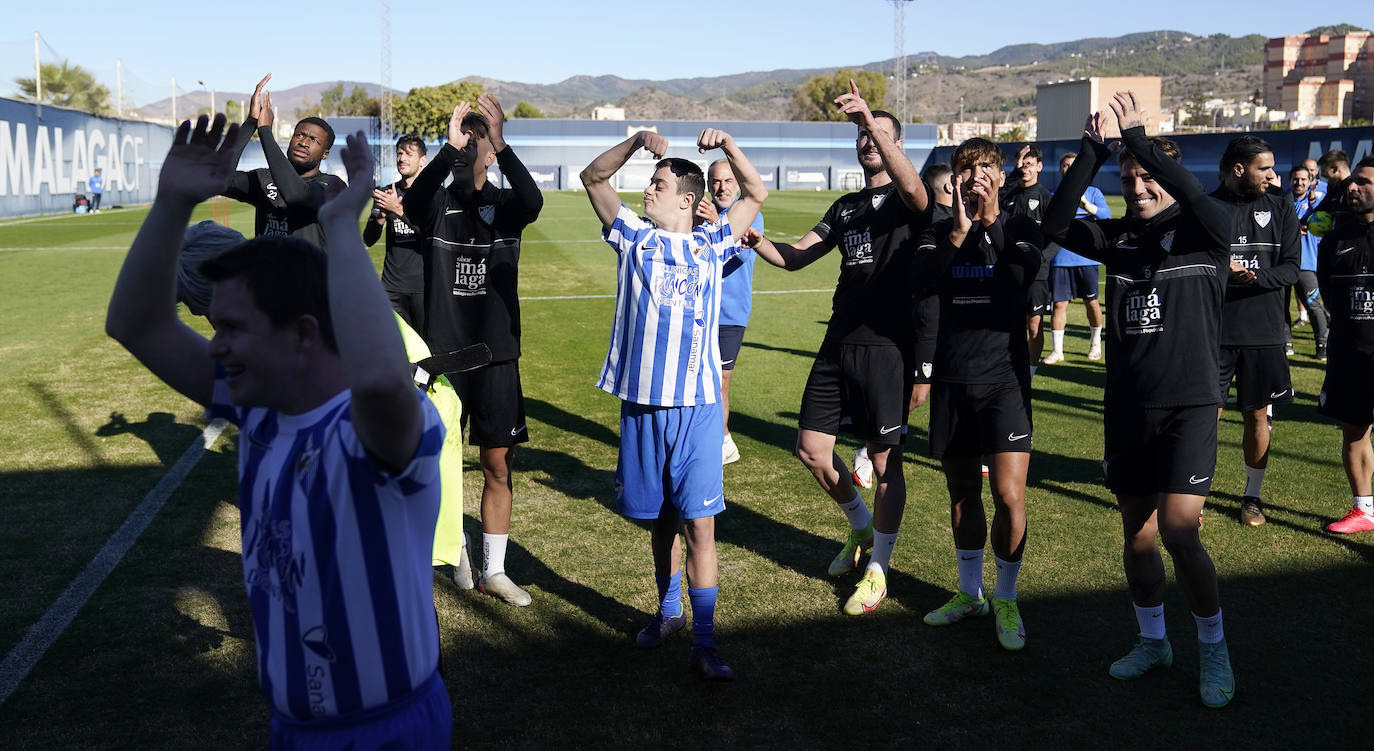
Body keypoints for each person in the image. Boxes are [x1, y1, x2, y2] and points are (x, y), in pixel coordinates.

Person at [106, 115, 451, 746]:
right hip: (290, 727)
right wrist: (172, 202)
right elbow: (137, 324)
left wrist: (343, 231)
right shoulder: (258, 407)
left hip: (387, 731)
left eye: (233, 329)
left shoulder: (374, 430)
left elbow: (380, 379)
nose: (215, 347)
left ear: (302, 335)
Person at [1041, 92, 1236, 708]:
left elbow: (1209, 206)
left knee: (1180, 532)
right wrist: (1093, 155)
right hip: (1128, 405)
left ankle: (1213, 648)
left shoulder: (1205, 231)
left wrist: (1141, 140)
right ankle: (1154, 641)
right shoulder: (1119, 234)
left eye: (1147, 177)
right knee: (1138, 534)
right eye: (1130, 179)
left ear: (1168, 178)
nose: (1139, 187)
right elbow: (1053, 225)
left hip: (1191, 402)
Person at [578, 125, 766, 681]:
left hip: (699, 410)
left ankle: (705, 642)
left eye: (658, 185)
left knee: (700, 525)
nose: (647, 191)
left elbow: (755, 194)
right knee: (660, 522)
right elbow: (594, 178)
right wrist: (637, 142)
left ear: (686, 198)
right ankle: (667, 610)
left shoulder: (713, 243)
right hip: (642, 406)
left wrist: (729, 145)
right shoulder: (632, 236)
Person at [748, 80, 930, 616]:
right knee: (811, 450)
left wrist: (868, 120)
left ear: (894, 144)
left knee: (884, 461)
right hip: (837, 343)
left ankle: (879, 570)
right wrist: (758, 242)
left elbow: (915, 187)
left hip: (886, 348)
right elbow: (798, 255)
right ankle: (862, 529)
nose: (868, 141)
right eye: (864, 136)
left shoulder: (908, 201)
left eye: (880, 135)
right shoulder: (846, 206)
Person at [402, 94, 543, 606]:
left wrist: (499, 142)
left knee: (497, 465)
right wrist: (447, 146)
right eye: (464, 141)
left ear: (489, 153)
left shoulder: (507, 209)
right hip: (444, 359)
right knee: (438, 462)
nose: (468, 149)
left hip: (496, 356)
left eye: (474, 143)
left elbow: (534, 200)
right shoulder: (436, 205)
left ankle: (495, 570)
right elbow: (414, 204)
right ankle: (456, 551)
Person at [917, 138, 1042, 651]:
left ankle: (1006, 596)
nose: (977, 176)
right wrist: (960, 230)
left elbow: (1020, 277)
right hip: (952, 379)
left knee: (1009, 496)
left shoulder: (1019, 225)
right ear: (956, 178)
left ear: (1000, 173)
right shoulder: (939, 230)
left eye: (987, 166)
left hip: (1005, 380)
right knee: (962, 492)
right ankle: (970, 593)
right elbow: (920, 282)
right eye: (968, 168)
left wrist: (990, 222)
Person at [1211, 136, 1300, 528]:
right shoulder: (1208, 207)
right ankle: (1192, 496)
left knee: (1258, 416)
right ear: (1238, 169)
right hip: (1213, 331)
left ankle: (1252, 497)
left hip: (1263, 332)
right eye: (1264, 168)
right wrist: (1222, 273)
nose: (1272, 175)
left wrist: (1255, 276)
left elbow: (1292, 268)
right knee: (1203, 417)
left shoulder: (1281, 206)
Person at [694, 159, 765, 465]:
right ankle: (702, 436)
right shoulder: (701, 213)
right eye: (715, 181)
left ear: (737, 184)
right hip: (699, 310)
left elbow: (729, 255)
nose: (721, 187)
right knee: (696, 378)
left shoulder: (749, 214)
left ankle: (724, 441)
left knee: (721, 381)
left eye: (726, 181)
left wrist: (711, 224)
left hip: (730, 315)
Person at [225, 73, 346, 249]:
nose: (304, 142)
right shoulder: (264, 179)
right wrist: (251, 122)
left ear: (325, 154)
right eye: (300, 135)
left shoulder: (333, 187)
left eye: (314, 140)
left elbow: (296, 194)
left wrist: (265, 131)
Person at [1318, 157, 1374, 535]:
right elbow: (1328, 293)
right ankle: (1364, 509)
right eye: (1353, 181)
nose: (1353, 188)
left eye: (1365, 182)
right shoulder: (1335, 240)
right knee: (1354, 431)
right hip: (1348, 353)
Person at [1042, 152, 1109, 364]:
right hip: (1061, 260)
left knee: (1091, 303)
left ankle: (1095, 342)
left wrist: (1085, 205)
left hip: (1087, 260)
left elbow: (1106, 216)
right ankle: (1057, 351)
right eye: (1064, 165)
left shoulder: (1094, 192)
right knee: (1059, 305)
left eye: (1073, 165)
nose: (1068, 168)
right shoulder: (1054, 194)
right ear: (1060, 169)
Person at [364, 133, 430, 331]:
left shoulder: (433, 195)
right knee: (393, 350)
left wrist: (398, 210)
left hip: (423, 286)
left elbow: (429, 234)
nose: (402, 158)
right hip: (391, 287)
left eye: (409, 154)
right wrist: (382, 216)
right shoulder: (387, 193)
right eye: (399, 153)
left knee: (427, 352)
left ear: (422, 160)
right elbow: (368, 239)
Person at [999, 144, 1054, 370]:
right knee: (1009, 323)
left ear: (1039, 167)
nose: (1025, 169)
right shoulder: (1009, 195)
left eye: (1029, 165)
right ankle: (1010, 366)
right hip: (1007, 269)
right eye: (1022, 165)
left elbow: (1058, 235)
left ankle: (1030, 371)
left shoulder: (1045, 197)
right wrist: (1015, 165)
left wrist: (1043, 258)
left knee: (1034, 326)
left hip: (1036, 275)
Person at [1289, 165, 1330, 360]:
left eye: (1303, 179)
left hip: (1306, 264)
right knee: (1279, 307)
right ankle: (1286, 344)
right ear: (1290, 181)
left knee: (1314, 306)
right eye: (1296, 179)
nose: (1299, 182)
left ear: (1310, 181)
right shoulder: (1284, 201)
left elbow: (1322, 218)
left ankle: (1322, 345)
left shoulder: (1317, 200)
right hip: (1284, 263)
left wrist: (1312, 199)